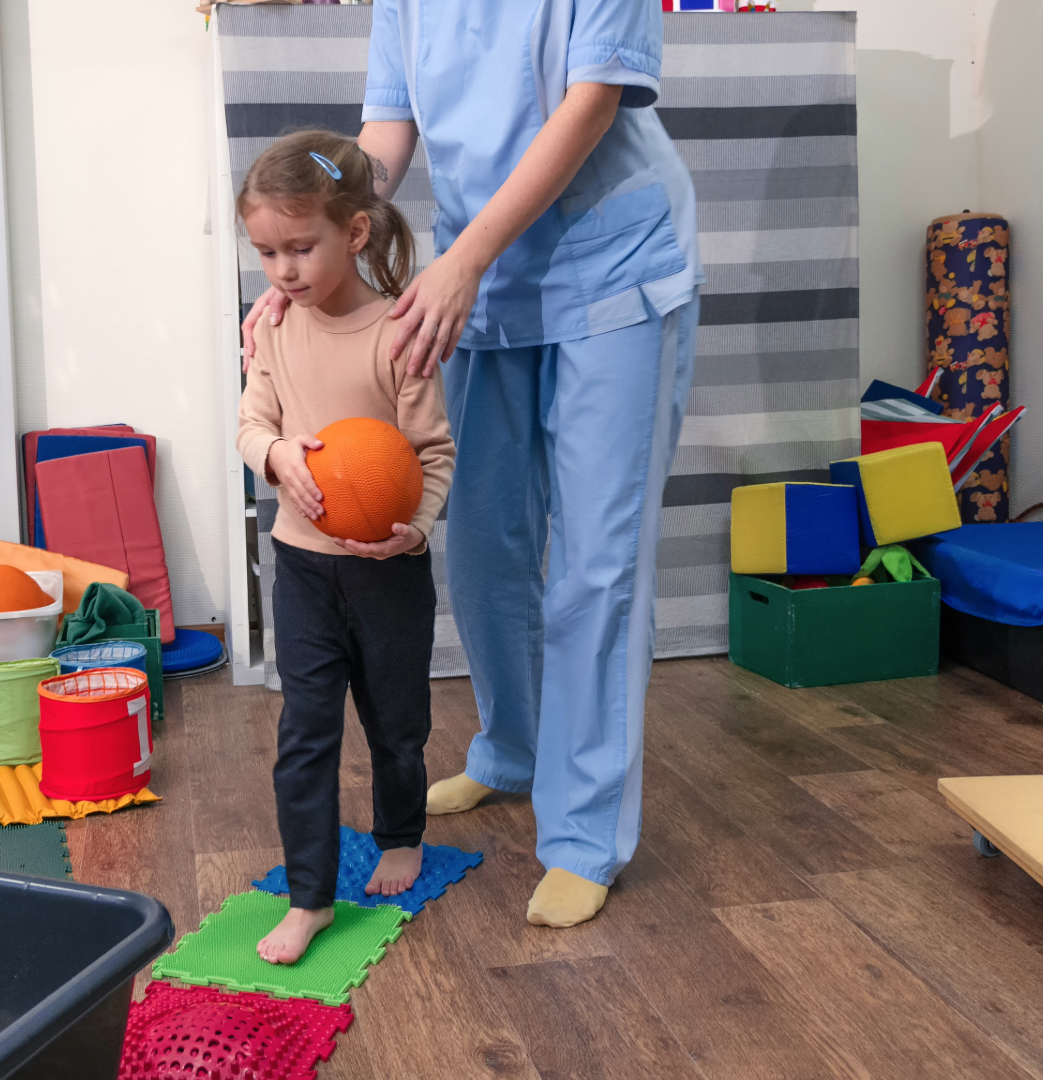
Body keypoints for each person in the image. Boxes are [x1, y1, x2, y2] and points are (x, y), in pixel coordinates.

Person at [243, 0, 700, 929]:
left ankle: (584, 836)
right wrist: (306, 263)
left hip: (611, 267)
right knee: (488, 542)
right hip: (484, 284)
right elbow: (377, 145)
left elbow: (591, 105)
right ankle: (511, 752)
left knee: (596, 569)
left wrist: (462, 262)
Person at [235, 130, 457, 964]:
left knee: (397, 722)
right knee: (307, 730)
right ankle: (310, 895)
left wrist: (416, 527)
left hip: (388, 571)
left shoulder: (400, 334)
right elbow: (253, 425)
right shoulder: (274, 330)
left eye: (301, 247)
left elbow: (433, 452)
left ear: (355, 233)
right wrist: (276, 453)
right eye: (266, 252)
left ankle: (402, 834)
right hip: (301, 566)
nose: (284, 270)